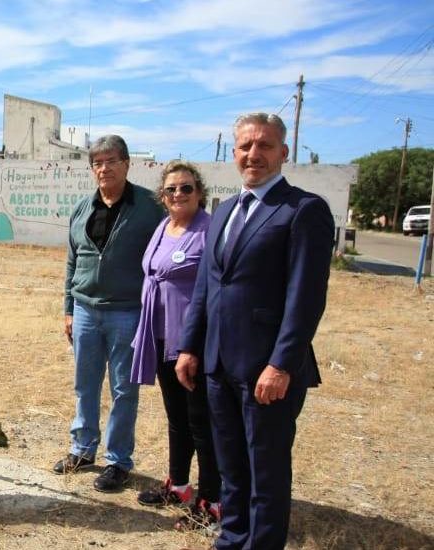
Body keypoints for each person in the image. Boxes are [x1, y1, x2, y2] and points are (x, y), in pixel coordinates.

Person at [178, 112, 334, 549]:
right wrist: (190, 347)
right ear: (234, 153)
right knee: (231, 467)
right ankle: (232, 539)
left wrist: (282, 363)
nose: (254, 154)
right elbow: (207, 287)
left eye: (265, 146)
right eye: (246, 146)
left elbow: (305, 298)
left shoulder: (304, 210)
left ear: (284, 153)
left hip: (267, 369)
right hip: (218, 364)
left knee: (265, 469)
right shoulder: (224, 210)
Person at [56, 135, 165, 492]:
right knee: (84, 385)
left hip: (128, 312)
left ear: (127, 163)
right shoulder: (83, 208)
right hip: (86, 311)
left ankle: (118, 461)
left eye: (111, 161)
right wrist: (69, 309)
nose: (104, 169)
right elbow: (74, 260)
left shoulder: (149, 207)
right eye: (97, 163)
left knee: (124, 389)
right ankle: (82, 449)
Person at [129, 161, 220, 529]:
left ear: (200, 192)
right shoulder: (163, 227)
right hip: (162, 338)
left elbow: (215, 291)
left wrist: (194, 345)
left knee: (203, 424)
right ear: (162, 197)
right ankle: (179, 485)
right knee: (177, 420)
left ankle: (212, 501)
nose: (178, 194)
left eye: (186, 188)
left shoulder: (210, 231)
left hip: (192, 343)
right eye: (171, 189)